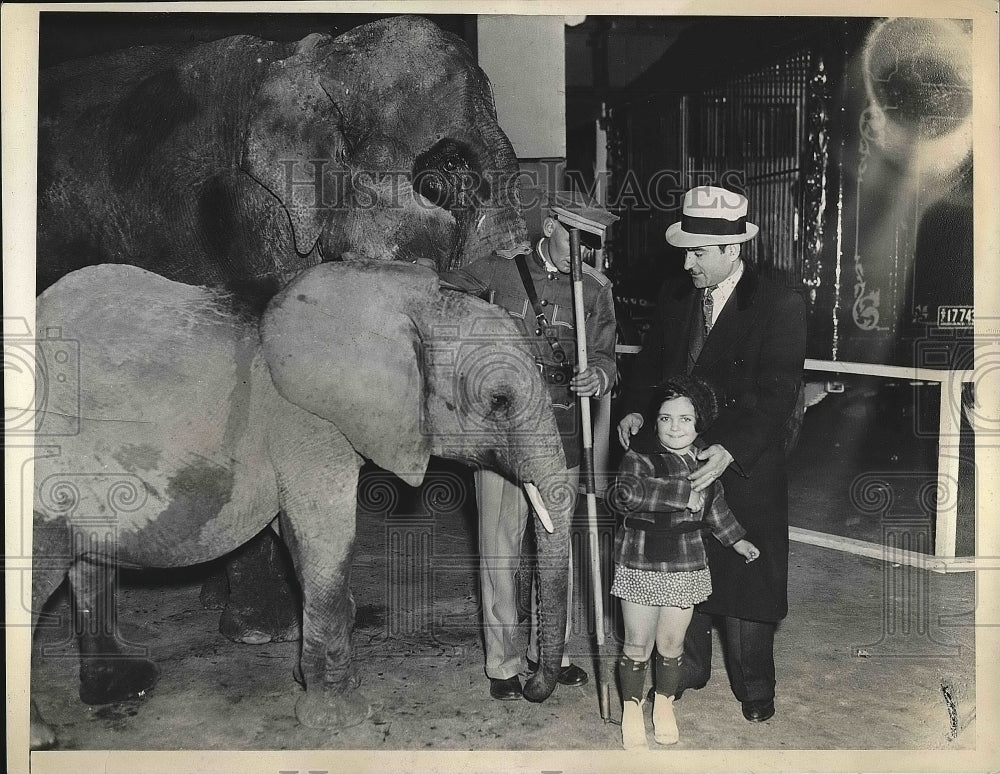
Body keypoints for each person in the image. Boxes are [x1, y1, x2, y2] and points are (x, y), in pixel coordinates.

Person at [616, 185, 805, 723]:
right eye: (686, 250)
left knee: (747, 578)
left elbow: (777, 393)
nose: (687, 261)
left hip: (745, 463)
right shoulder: (676, 297)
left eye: (699, 252)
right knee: (679, 563)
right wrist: (633, 407)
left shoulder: (779, 304)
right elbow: (651, 367)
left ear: (732, 252)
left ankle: (755, 688)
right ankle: (688, 669)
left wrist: (729, 448)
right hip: (675, 457)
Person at [443, 190, 618, 701]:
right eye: (571, 238)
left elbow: (608, 355)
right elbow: (439, 300)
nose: (578, 251)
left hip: (561, 437)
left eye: (589, 244)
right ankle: (503, 662)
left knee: (555, 550)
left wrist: (599, 378)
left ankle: (554, 654)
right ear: (550, 228)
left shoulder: (596, 291)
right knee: (499, 549)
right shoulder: (498, 273)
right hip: (500, 440)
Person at [610, 375, 759, 748]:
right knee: (637, 645)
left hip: (686, 564)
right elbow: (625, 494)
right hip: (640, 563)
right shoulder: (639, 457)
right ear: (654, 420)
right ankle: (630, 709)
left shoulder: (705, 462)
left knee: (672, 645)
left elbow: (716, 508)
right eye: (665, 418)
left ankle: (663, 702)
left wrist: (737, 540)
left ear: (700, 423)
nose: (674, 427)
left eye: (685, 419)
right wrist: (680, 493)